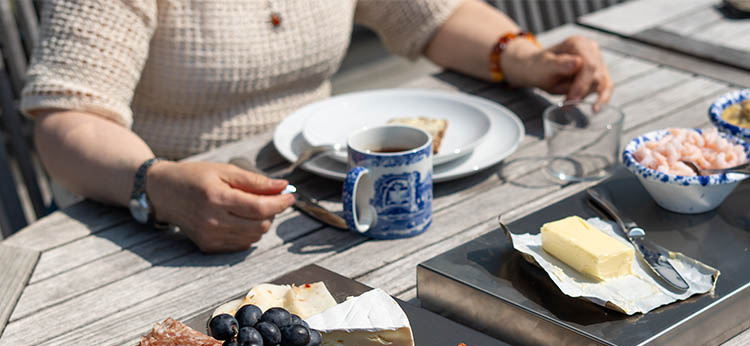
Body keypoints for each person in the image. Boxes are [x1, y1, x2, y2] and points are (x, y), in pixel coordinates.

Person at [21, 0, 612, 253]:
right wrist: (157, 184)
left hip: (318, 196)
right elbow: (66, 117)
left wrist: (525, 57)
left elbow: (430, 15)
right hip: (152, 222)